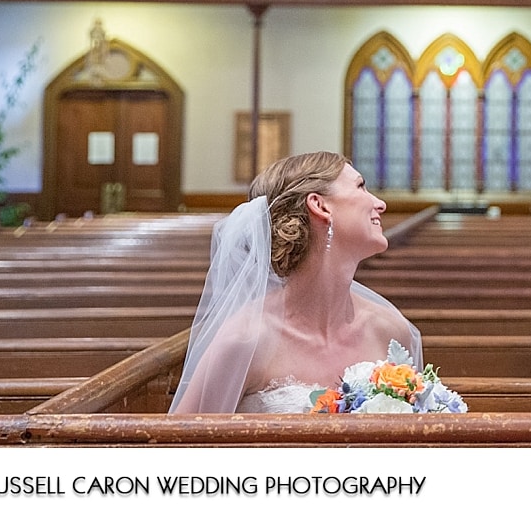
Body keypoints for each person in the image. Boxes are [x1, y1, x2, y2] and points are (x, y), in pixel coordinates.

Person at [170, 151, 421, 413]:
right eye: (361, 186)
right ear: (320, 205)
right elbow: (179, 444)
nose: (380, 204)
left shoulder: (390, 331)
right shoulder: (246, 339)